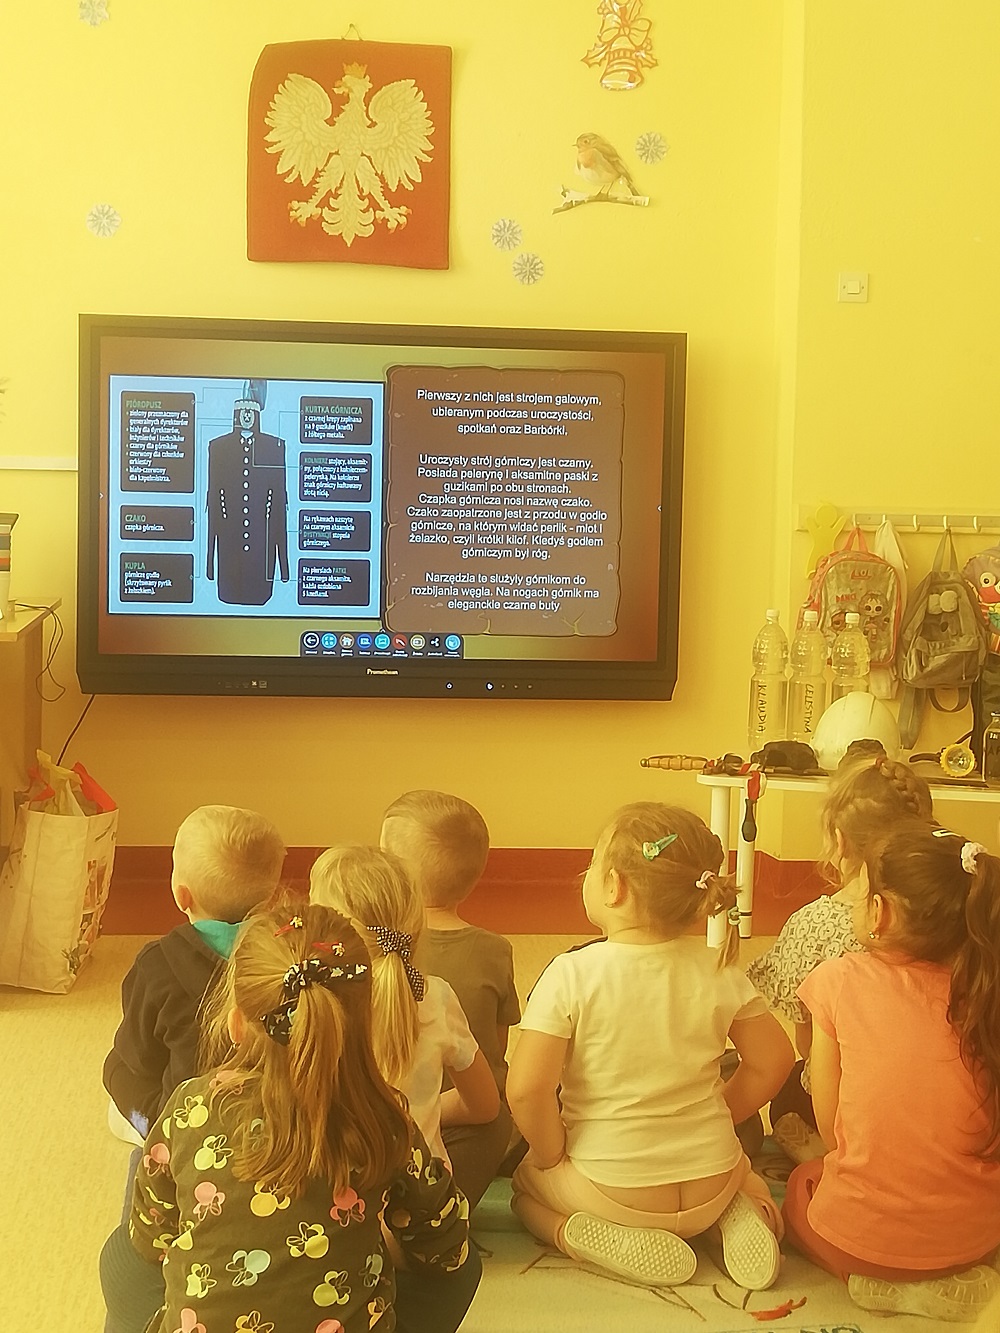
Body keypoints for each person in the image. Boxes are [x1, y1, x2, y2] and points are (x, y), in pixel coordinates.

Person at [100, 905, 480, 1333]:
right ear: (365, 1024)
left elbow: (153, 1237)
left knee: (121, 1253)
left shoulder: (191, 1106)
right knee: (465, 1269)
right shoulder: (386, 1120)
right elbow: (447, 1248)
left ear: (236, 1024)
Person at [508, 803, 794, 1290]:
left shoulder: (571, 973)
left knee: (524, 1189)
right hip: (712, 1182)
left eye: (592, 865)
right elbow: (774, 1061)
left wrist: (551, 1154)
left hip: (612, 1194)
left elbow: (525, 1090)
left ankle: (573, 1234)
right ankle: (739, 1213)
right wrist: (719, 1114)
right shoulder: (718, 967)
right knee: (739, 1174)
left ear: (614, 887)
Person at [783, 822, 1000, 1321]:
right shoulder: (986, 990)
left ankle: (876, 1283)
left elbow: (830, 1125)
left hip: (864, 1244)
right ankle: (943, 1275)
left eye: (859, 894)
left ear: (879, 913)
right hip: (977, 1238)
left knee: (800, 1190)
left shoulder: (839, 980)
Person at [746, 757, 933, 1152]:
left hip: (847, 1106)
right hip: (933, 1103)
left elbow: (806, 1040)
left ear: (840, 840)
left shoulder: (813, 924)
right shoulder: (951, 915)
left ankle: (826, 1156)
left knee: (788, 1092)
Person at [309, 844, 500, 1200]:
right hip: (423, 1209)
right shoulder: (435, 997)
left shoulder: (308, 1002)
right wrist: (415, 1114)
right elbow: (485, 1106)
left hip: (335, 1210)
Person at [103, 804, 286, 1139]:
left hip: (187, 1125)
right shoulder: (292, 953)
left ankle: (152, 1139)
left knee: (115, 1066)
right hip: (277, 1111)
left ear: (181, 895)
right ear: (271, 898)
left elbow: (140, 1058)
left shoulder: (156, 965)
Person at [381, 789, 521, 1202]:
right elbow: (494, 1051)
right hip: (465, 1124)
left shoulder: (365, 953)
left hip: (383, 1127)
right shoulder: (495, 950)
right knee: (505, 1116)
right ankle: (440, 1208)